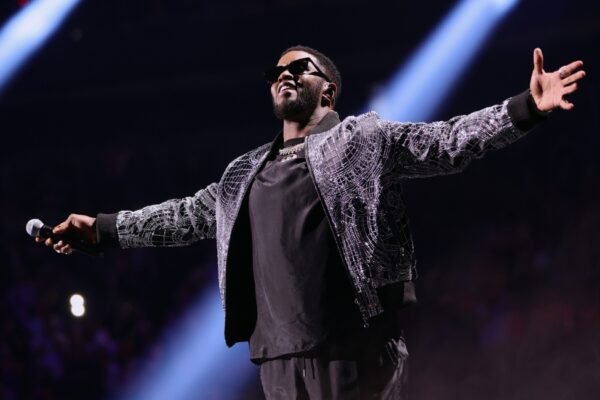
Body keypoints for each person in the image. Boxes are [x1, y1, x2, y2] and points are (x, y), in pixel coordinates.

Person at [36, 45, 586, 399]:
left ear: (329, 89)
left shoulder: (361, 139)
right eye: (277, 72)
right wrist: (103, 229)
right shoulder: (242, 173)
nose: (285, 75)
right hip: (277, 358)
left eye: (299, 67)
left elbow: (445, 143)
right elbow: (180, 217)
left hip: (354, 350)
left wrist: (525, 108)